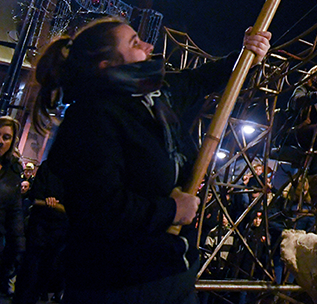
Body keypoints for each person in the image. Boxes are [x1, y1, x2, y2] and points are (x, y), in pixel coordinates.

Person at [35, 16, 271, 304]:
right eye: (135, 43)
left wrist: (247, 54)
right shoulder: (90, 119)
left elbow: (200, 79)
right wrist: (171, 210)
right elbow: (101, 210)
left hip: (171, 275)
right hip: (119, 285)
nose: (148, 47)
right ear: (107, 66)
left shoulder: (155, 96)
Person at [13, 159, 67, 304]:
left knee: (44, 273)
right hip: (40, 228)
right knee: (29, 272)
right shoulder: (49, 166)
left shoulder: (77, 173)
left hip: (58, 232)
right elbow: (35, 195)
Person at [0, 116, 24, 297]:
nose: (0, 141)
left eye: (6, 137)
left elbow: (15, 210)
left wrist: (19, 244)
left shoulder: (13, 170)